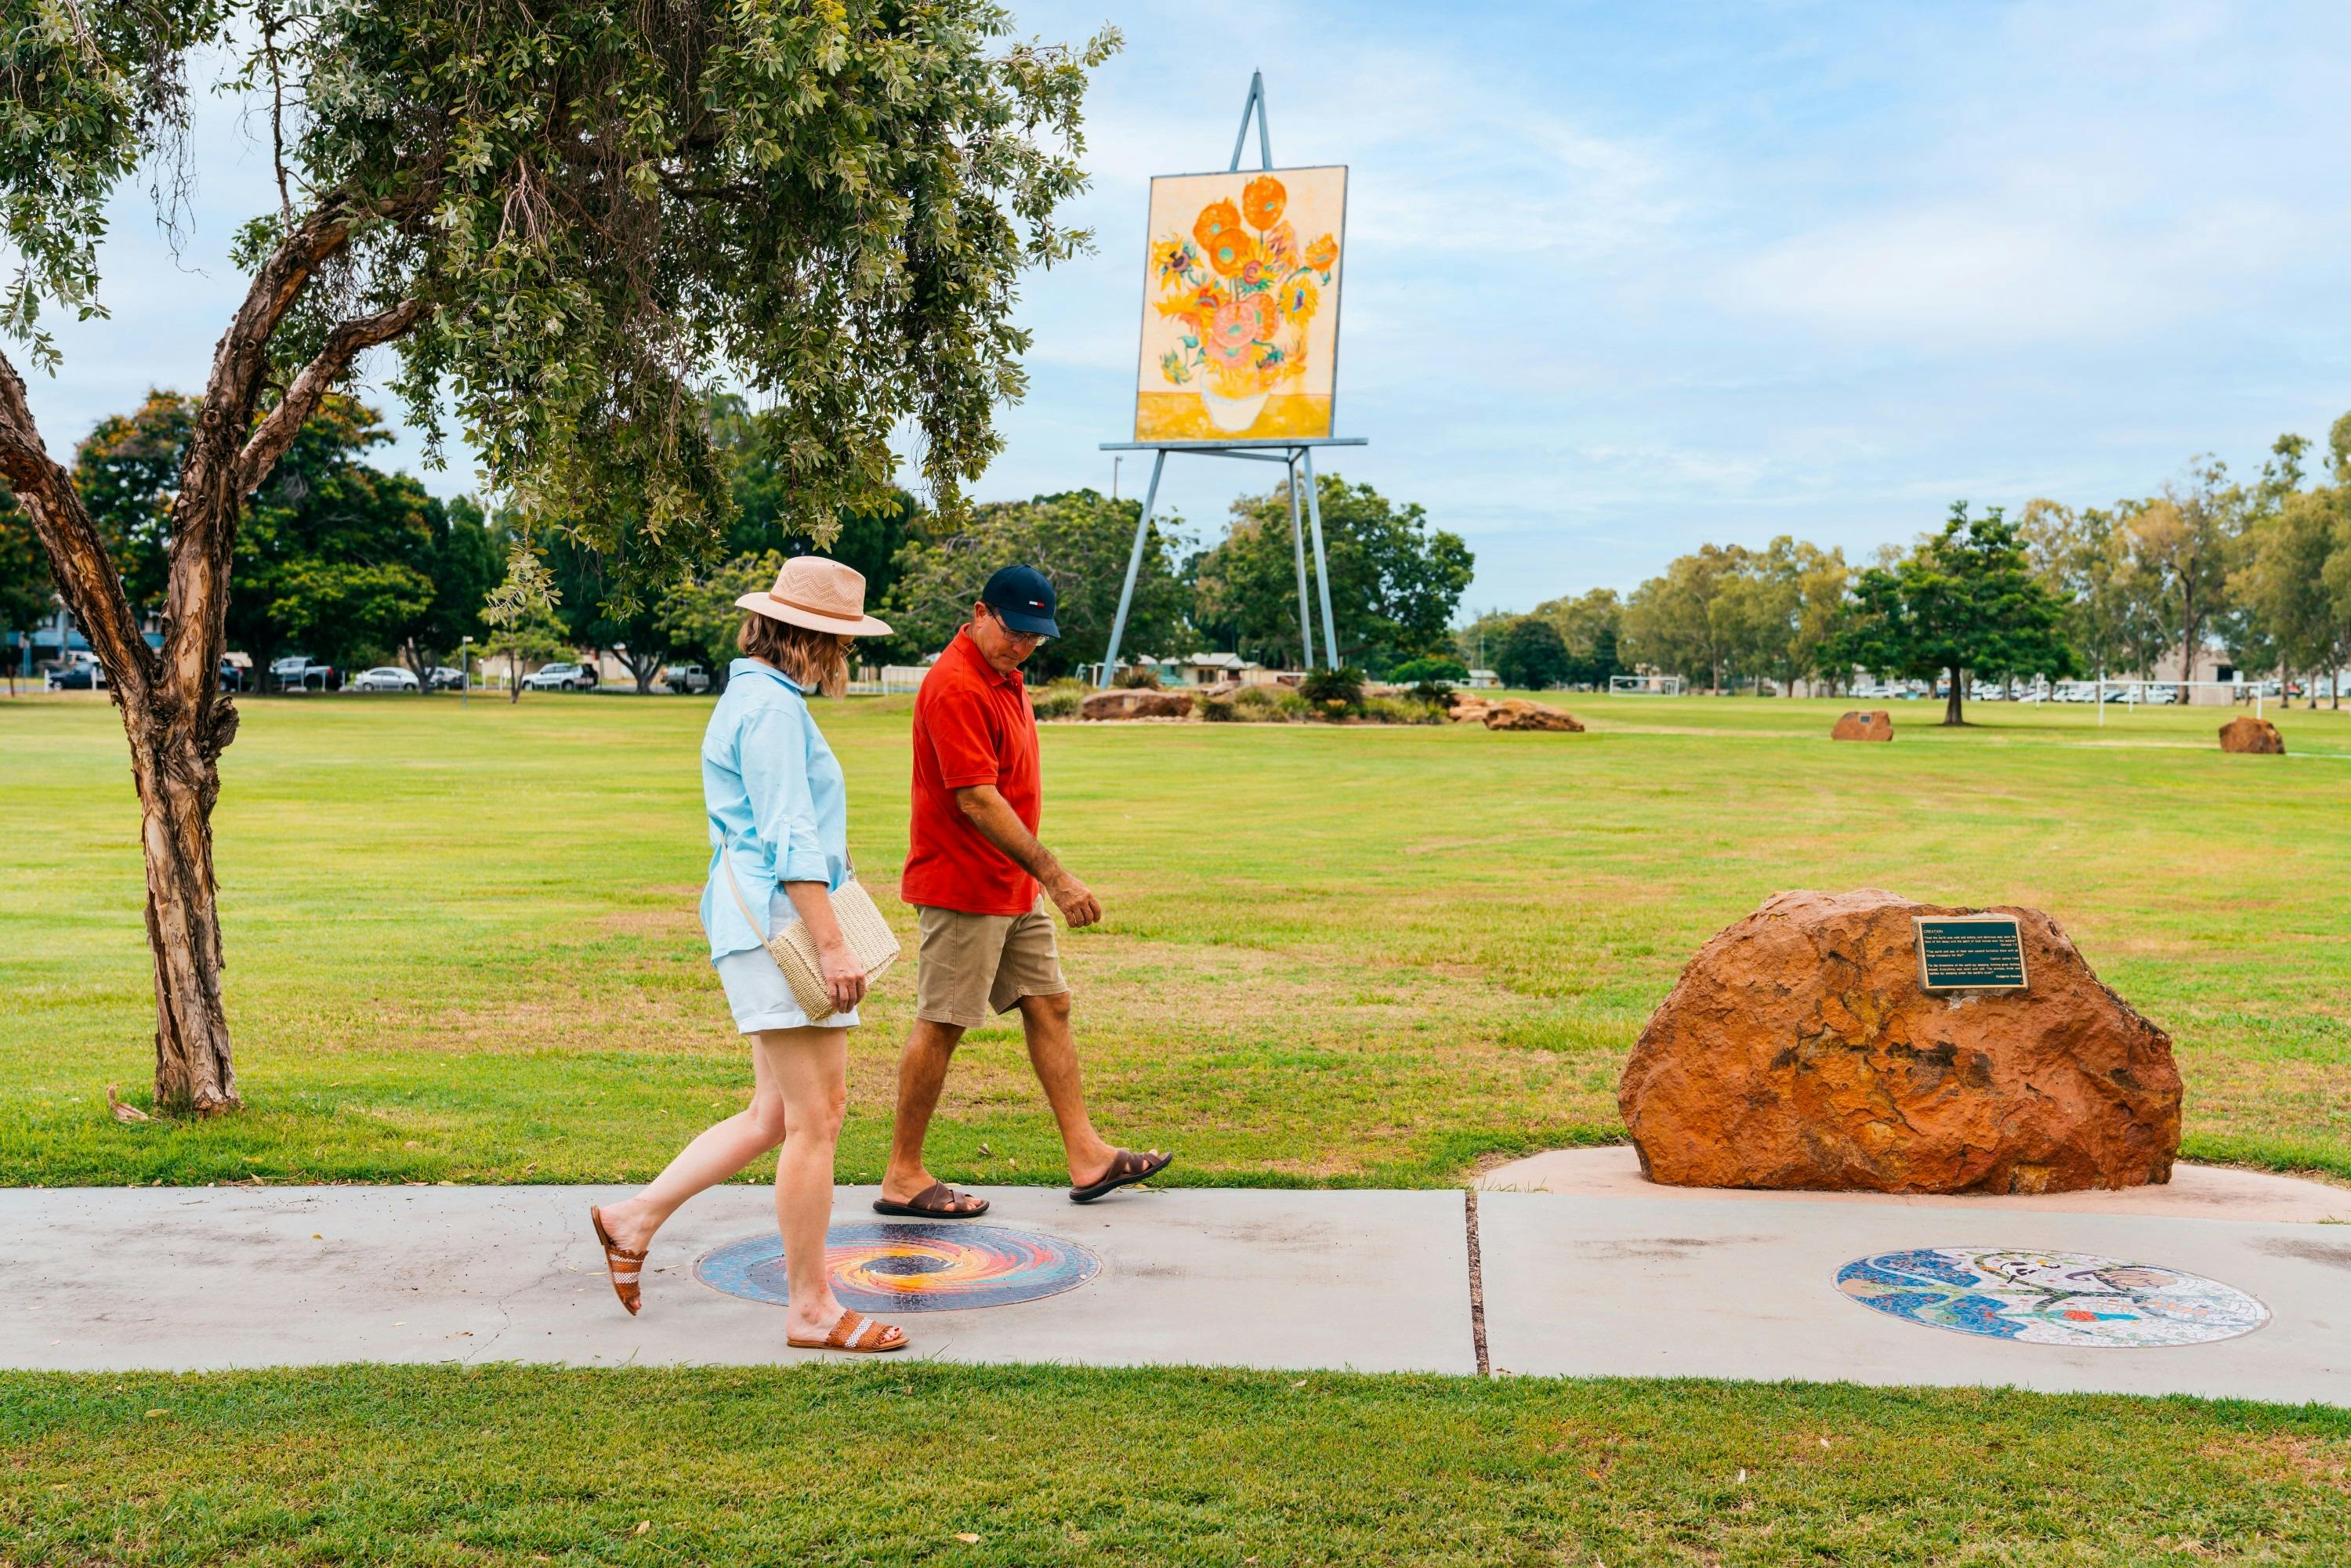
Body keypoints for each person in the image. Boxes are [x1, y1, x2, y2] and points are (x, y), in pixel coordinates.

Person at [589, 556, 907, 1353]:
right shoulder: (768, 710)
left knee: (775, 1114)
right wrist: (833, 945)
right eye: (840, 641)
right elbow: (788, 836)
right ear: (809, 637)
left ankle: (632, 1219)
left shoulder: (765, 701)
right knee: (817, 1119)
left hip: (766, 923)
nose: (846, 657)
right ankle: (810, 1309)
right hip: (780, 929)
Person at [877, 564, 1172, 1217]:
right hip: (963, 883)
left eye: (1036, 638)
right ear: (981, 612)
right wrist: (1056, 875)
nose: (1023, 647)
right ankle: (902, 1174)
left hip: (1008, 884)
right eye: (1014, 633)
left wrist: (1033, 877)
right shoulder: (956, 684)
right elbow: (978, 800)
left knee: (1050, 1005)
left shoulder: (1004, 676)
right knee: (945, 1021)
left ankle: (1088, 1155)